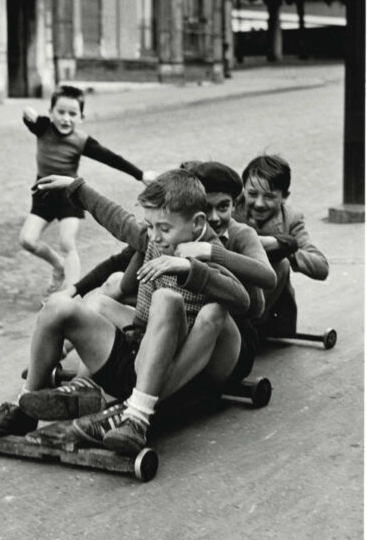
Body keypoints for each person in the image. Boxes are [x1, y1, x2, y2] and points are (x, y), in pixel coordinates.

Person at [0, 170, 250, 455]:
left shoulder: (207, 251)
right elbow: (117, 219)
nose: (155, 237)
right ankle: (25, 407)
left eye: (164, 229)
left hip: (174, 373)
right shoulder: (154, 238)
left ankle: (136, 420)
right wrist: (77, 188)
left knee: (167, 299)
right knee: (58, 306)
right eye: (150, 226)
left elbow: (242, 299)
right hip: (135, 356)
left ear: (197, 223)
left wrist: (191, 268)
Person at [61, 160, 276, 386]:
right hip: (184, 320)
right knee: (113, 284)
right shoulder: (169, 231)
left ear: (235, 205)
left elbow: (259, 293)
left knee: (210, 311)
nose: (214, 217)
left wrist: (210, 252)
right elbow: (121, 245)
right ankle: (77, 372)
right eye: (206, 208)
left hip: (226, 333)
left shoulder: (239, 234)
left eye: (223, 207)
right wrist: (76, 289)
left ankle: (151, 394)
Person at [19, 84, 154, 295]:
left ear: (82, 117)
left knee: (67, 242)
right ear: (51, 113)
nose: (66, 118)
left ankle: (70, 296)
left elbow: (111, 158)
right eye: (60, 112)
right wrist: (28, 116)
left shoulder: (81, 141)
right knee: (27, 240)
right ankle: (58, 265)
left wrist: (140, 174)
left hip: (69, 195)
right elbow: (31, 121)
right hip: (42, 194)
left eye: (72, 114)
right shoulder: (43, 127)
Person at [234, 154, 329, 337]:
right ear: (243, 189)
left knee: (281, 263)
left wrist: (284, 248)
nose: (259, 204)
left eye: (269, 196)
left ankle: (251, 325)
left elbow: (321, 267)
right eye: (252, 194)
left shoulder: (291, 218)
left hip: (267, 311)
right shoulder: (229, 209)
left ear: (285, 197)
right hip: (234, 293)